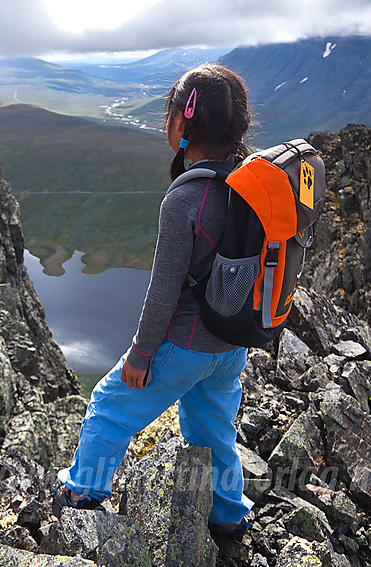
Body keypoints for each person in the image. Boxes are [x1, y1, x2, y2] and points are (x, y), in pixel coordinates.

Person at [53, 64, 254, 536]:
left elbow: (163, 292)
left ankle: (84, 490)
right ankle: (229, 515)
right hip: (232, 346)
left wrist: (141, 356)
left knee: (108, 407)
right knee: (213, 429)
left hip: (184, 344)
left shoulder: (186, 199)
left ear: (183, 124)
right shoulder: (253, 186)